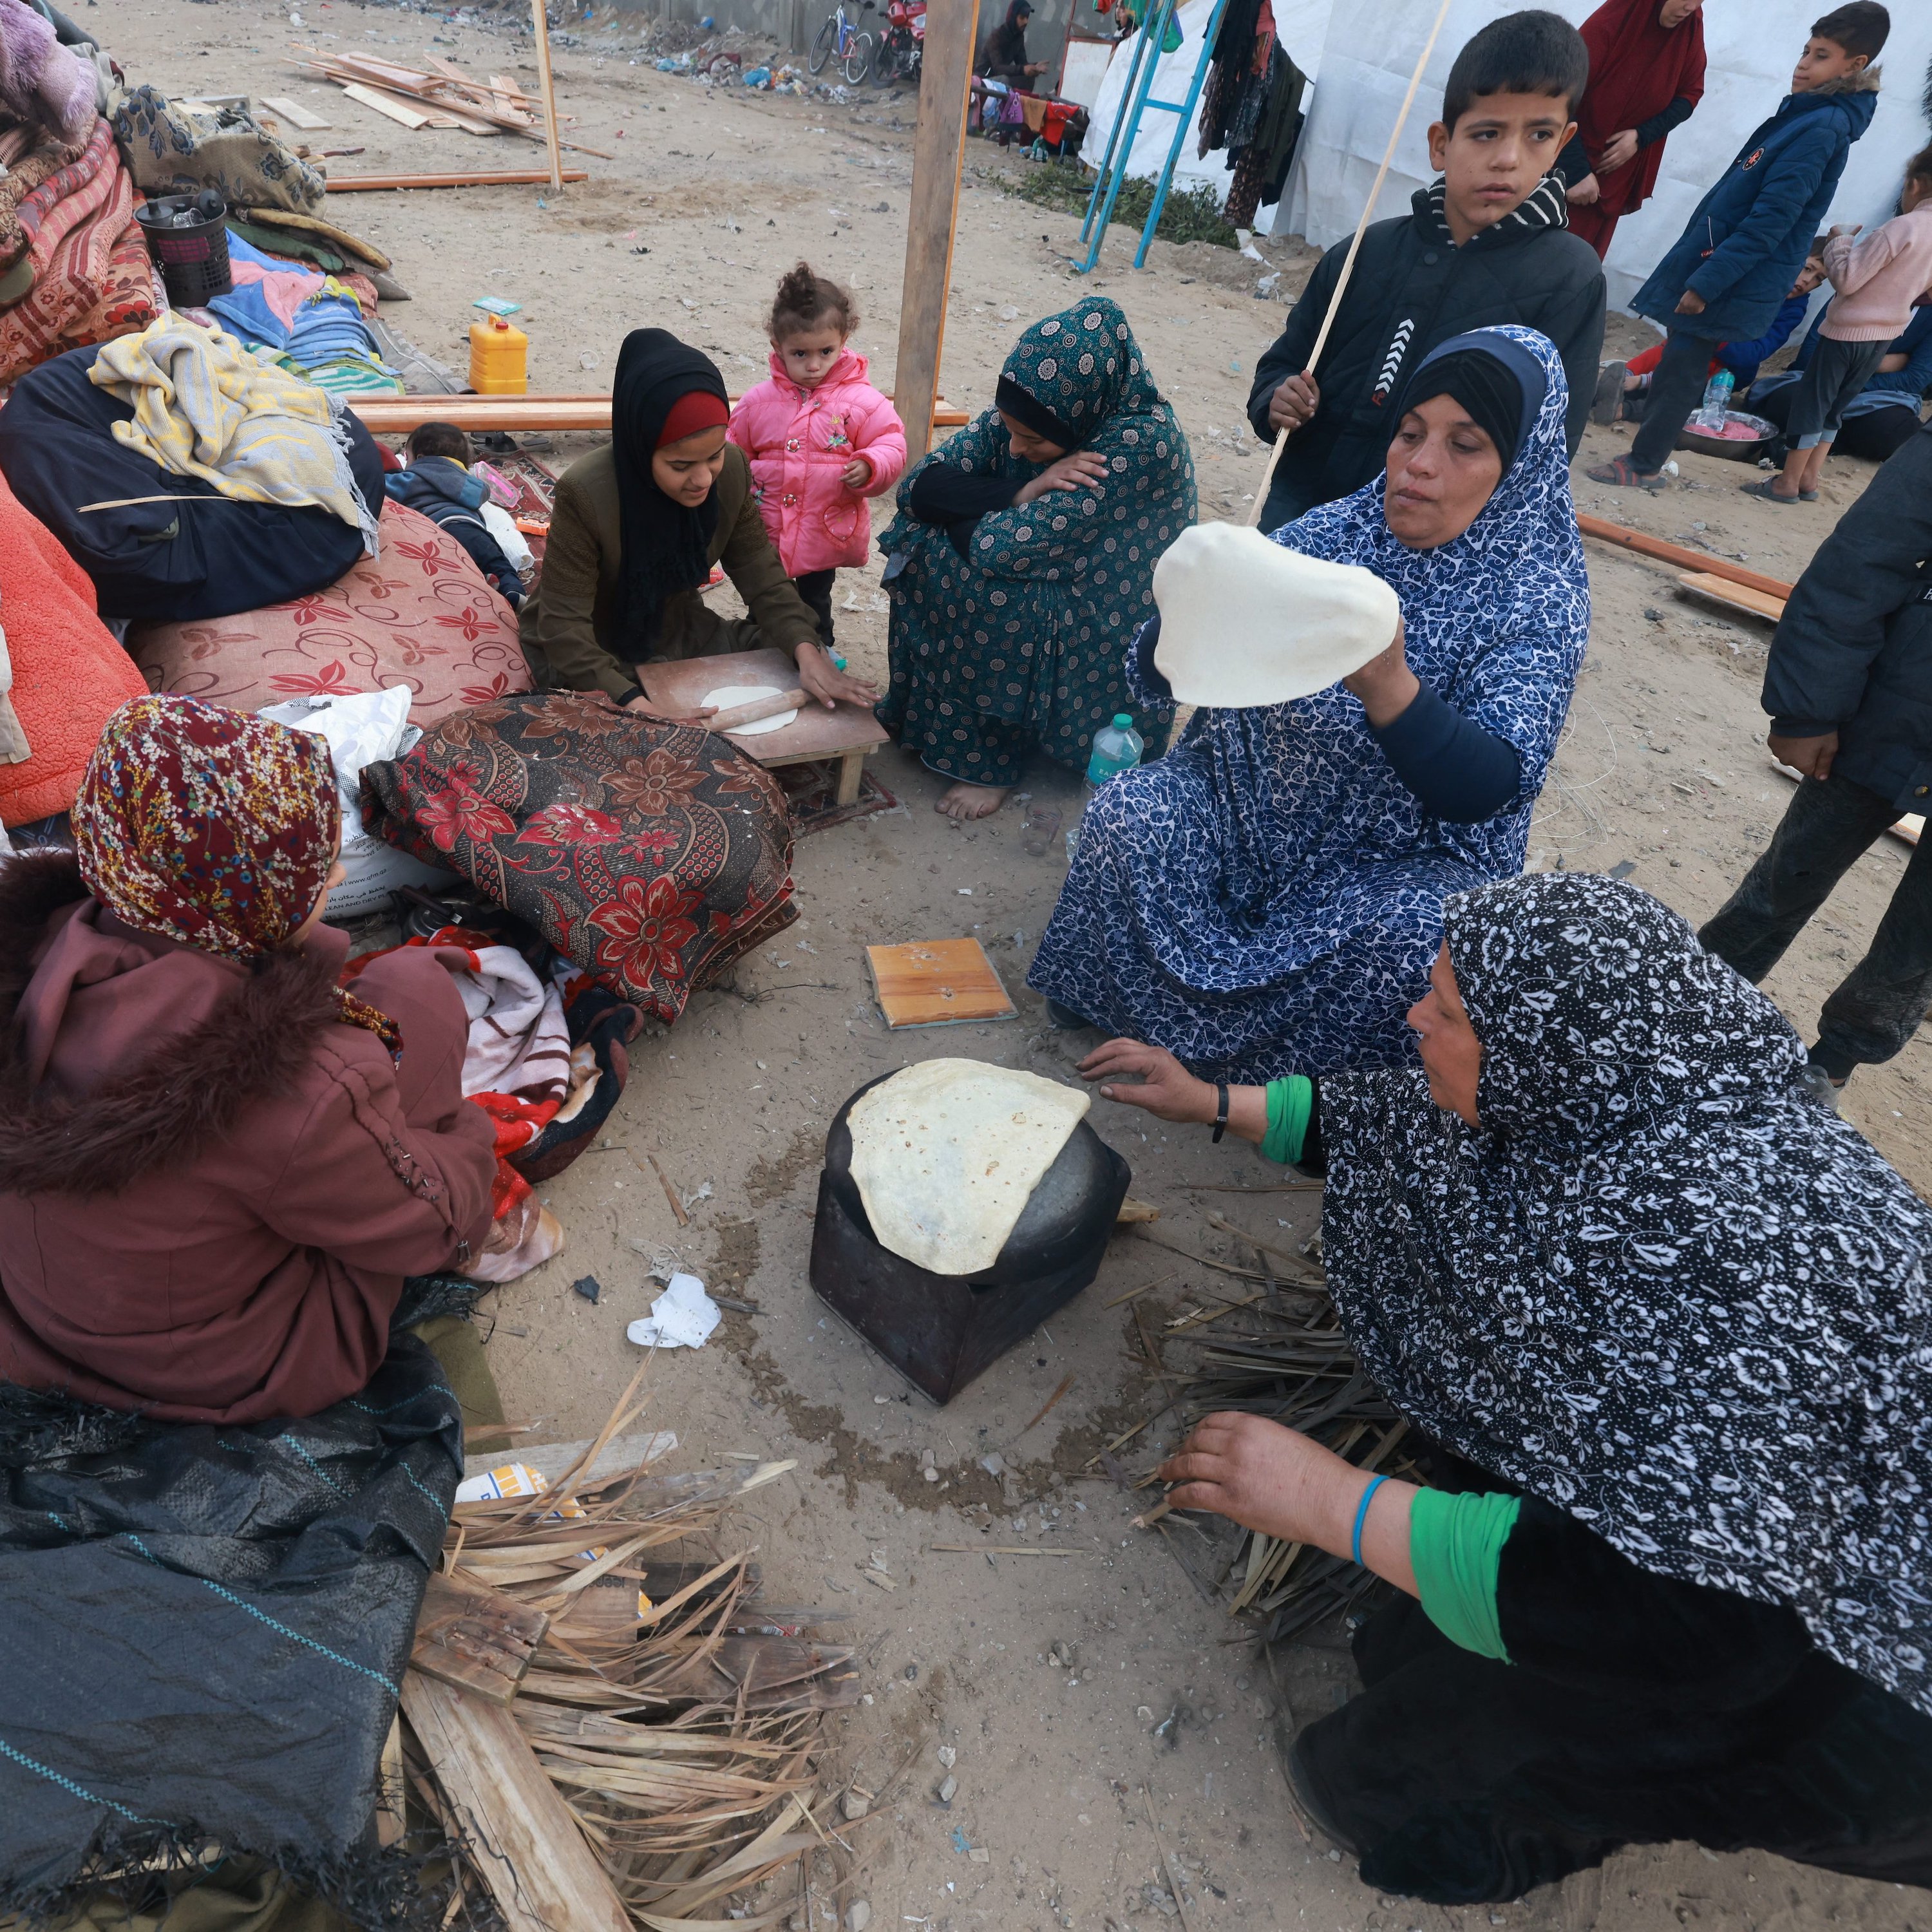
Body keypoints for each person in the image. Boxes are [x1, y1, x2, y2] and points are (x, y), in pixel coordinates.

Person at [1083, 871, 1932, 1904]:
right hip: (1735, 1560)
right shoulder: (1644, 1091)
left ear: (1531, 1053)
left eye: (1441, 1011)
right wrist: (1213, 1102)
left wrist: (1329, 1502)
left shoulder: (1703, 1268)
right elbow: (1406, 1131)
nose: (1413, 1018)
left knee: (1485, 1761)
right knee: (1428, 1633)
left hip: (1852, 1674)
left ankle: (1494, 1837)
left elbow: (1690, 1623)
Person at [1028, 327, 1587, 1079]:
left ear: (1518, 468)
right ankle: (1118, 997)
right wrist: (1185, 616)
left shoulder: (1536, 596)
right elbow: (1169, 674)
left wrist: (1392, 688)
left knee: (1417, 938)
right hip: (1242, 814)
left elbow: (1490, 787)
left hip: (1384, 868)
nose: (1419, 465)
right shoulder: (1334, 533)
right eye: (1411, 433)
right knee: (1134, 812)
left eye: (1466, 444)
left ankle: (1293, 1102)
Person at [0, 695, 497, 1425]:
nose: (332, 883)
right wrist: (467, 1138)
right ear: (243, 888)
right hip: (228, 1366)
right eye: (316, 865)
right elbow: (443, 1230)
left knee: (386, 998)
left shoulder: (48, 942)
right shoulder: (294, 1085)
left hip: (40, 1321)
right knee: (417, 986)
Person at [1245, 10, 1604, 531]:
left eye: (1538, 135)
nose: (1508, 158)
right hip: (1303, 511)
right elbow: (1283, 364)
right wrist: (1276, 400)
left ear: (1562, 144)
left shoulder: (1569, 280)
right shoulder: (1365, 252)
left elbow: (1547, 452)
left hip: (1429, 548)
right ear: (1441, 143)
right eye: (1486, 134)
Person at [876, 296, 1196, 821]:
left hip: (1106, 623)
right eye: (1010, 431)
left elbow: (997, 547)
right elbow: (917, 488)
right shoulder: (1032, 408)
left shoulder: (1141, 444)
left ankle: (989, 758)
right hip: (1045, 565)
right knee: (924, 543)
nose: (1016, 449)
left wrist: (954, 515)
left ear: (1079, 420)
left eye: (1033, 441)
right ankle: (939, 723)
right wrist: (1016, 494)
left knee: (974, 578)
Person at [1700, 419, 1932, 1105]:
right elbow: (1862, 564)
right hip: (1889, 718)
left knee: (1918, 944)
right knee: (1784, 880)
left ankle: (1830, 1066)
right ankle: (1693, 1008)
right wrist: (1810, 708)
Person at [1589, 2, 1887, 492]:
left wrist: (1708, 282)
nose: (1803, 64)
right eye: (1805, 51)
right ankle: (1640, 449)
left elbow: (1773, 220)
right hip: (1721, 260)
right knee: (1680, 359)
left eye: (1822, 56)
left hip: (1730, 273)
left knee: (1684, 367)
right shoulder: (1807, 116)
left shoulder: (1822, 128)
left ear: (1854, 66)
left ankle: (1643, 466)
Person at [519, 327, 876, 718]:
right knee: (601, 718)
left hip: (676, 625)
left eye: (714, 455)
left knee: (789, 655)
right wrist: (639, 708)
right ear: (641, 449)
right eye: (680, 465)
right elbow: (564, 627)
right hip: (591, 640)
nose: (704, 479)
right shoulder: (586, 493)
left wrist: (807, 651)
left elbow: (763, 577)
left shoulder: (734, 470)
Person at [727, 261, 907, 652]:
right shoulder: (757, 403)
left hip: (823, 527)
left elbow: (891, 442)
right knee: (764, 596)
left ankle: (821, 649)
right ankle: (761, 647)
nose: (813, 365)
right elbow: (733, 453)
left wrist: (872, 463)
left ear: (844, 339)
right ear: (778, 347)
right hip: (767, 524)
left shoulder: (861, 401)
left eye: (826, 351)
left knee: (815, 599)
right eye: (800, 353)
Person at [1743, 144, 1932, 503]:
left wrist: (1840, 241)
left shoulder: (1900, 228)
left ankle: (1787, 483)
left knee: (1812, 405)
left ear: (1915, 186)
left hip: (1847, 333)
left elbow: (1846, 280)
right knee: (1836, 408)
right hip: (1885, 336)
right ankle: (1810, 480)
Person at [1555, 0, 1707, 260]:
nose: (1690, 7)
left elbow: (1690, 93)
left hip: (1612, 180)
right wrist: (1576, 171)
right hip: (1565, 173)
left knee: (1579, 275)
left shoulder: (1689, 24)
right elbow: (1557, 95)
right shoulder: (1614, 20)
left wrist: (1641, 136)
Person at [1592, 263, 1824, 424]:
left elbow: (1756, 352)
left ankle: (1625, 407)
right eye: (1807, 269)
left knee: (1685, 391)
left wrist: (1716, 338)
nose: (1807, 281)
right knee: (1664, 352)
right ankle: (1617, 382)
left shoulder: (1793, 310)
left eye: (1818, 279)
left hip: (1729, 368)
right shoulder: (1759, 281)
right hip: (1700, 341)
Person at [1750, 301, 1932, 463]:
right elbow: (1808, 358)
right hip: (1823, 381)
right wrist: (1881, 362)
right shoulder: (1857, 289)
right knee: (1786, 400)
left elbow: (1914, 380)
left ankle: (1809, 444)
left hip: (1880, 397)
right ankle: (1821, 443)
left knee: (1896, 433)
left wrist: (1849, 378)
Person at [385, 419, 529, 607]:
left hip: (437, 531)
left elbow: (375, 488)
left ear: (420, 459)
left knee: (438, 571)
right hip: (474, 530)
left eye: (407, 457)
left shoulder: (412, 478)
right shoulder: (472, 484)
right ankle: (512, 590)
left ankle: (470, 582)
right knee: (498, 562)